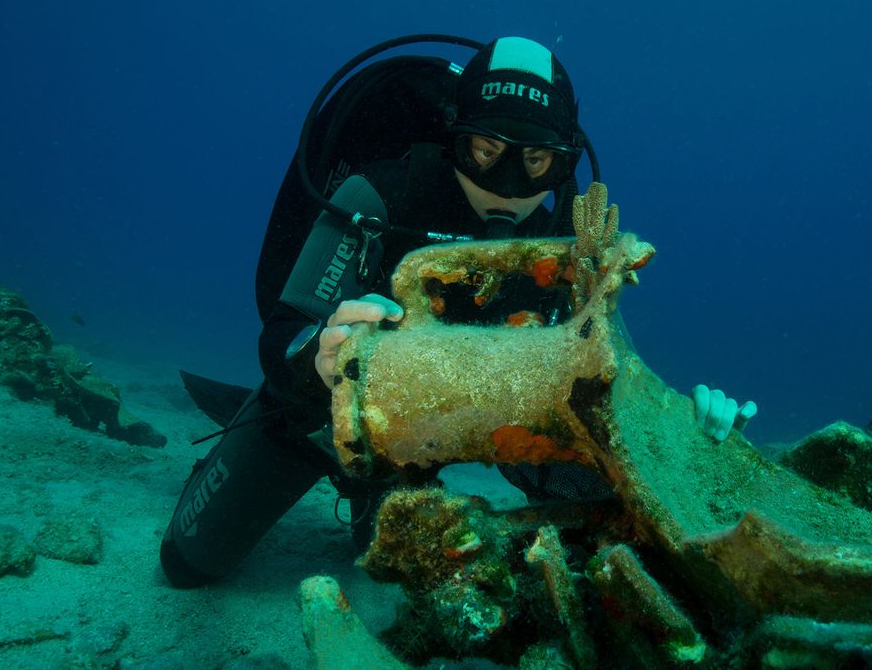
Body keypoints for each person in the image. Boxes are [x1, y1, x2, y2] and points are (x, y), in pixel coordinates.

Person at [159, 36, 757, 589]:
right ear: (454, 137)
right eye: (485, 151)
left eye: (536, 163)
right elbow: (281, 332)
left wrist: (679, 435)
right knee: (187, 564)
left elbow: (587, 404)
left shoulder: (574, 252)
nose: (506, 187)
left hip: (444, 444)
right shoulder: (378, 199)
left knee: (408, 581)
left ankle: (378, 491)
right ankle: (243, 457)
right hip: (314, 417)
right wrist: (317, 355)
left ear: (565, 164)